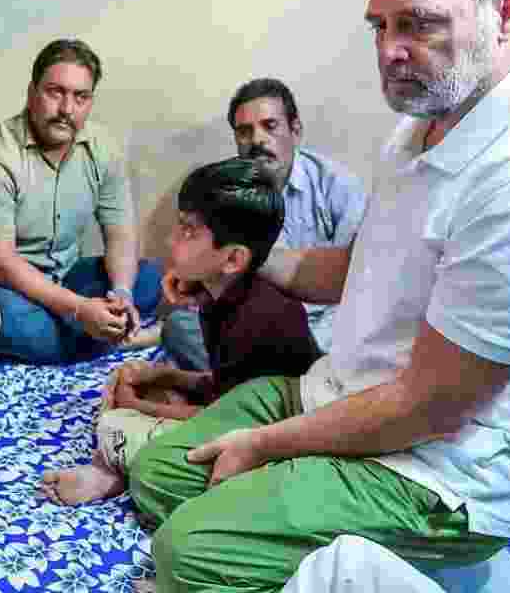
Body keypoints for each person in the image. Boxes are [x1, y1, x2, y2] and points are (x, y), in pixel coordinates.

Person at [144, 0, 510, 592]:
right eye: (379, 25)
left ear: (508, 13)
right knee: (159, 475)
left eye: (418, 24)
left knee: (186, 552)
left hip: (432, 469)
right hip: (343, 393)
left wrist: (264, 446)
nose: (391, 51)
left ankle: (416, 567)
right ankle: (320, 545)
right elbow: (362, 267)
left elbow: (426, 406)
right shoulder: (424, 123)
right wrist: (225, 265)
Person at [39, 158, 320, 506]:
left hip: (266, 442)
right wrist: (164, 374)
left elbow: (228, 421)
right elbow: (225, 386)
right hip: (236, 408)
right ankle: (117, 456)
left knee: (122, 422)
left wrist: (139, 405)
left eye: (188, 230)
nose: (172, 238)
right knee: (135, 382)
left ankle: (108, 471)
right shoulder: (220, 294)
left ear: (232, 260)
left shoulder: (259, 316)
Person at [0, 38, 161, 364]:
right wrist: (80, 309)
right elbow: (1, 263)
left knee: (150, 277)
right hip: (0, 285)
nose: (67, 110)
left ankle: (68, 336)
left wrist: (121, 294)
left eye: (80, 97)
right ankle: (109, 339)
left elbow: (120, 233)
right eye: (56, 93)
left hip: (63, 278)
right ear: (31, 92)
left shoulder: (103, 148)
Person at [162, 79, 366, 366]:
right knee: (179, 326)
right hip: (254, 319)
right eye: (245, 132)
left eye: (270, 126)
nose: (257, 140)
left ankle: (262, 388)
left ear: (295, 131)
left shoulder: (337, 186)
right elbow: (219, 278)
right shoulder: (226, 189)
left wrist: (315, 342)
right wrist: (197, 277)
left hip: (325, 325)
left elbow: (358, 282)